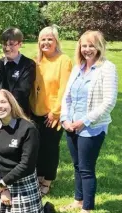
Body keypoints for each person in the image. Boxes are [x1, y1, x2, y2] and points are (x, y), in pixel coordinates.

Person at [59, 30, 118, 213]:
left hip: (91, 128)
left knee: (86, 168)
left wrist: (83, 121)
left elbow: (109, 101)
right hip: (71, 125)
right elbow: (67, 96)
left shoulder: (107, 68)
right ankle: (78, 200)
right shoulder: (78, 67)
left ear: (99, 47)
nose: (87, 49)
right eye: (84, 46)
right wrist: (65, 119)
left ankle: (86, 211)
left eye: (91, 45)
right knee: (77, 166)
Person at [0, 89, 43, 213]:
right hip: (0, 180)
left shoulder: (28, 128)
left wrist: (4, 183)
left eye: (3, 102)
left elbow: (27, 165)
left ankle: (44, 211)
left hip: (21, 180)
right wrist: (1, 188)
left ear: (11, 104)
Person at [29, 26, 72, 196]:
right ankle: (38, 177)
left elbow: (65, 88)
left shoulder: (63, 60)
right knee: (37, 147)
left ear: (56, 42)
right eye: (43, 39)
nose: (46, 42)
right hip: (35, 111)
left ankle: (47, 180)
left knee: (50, 148)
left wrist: (56, 112)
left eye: (50, 39)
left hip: (52, 113)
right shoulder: (37, 61)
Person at [0, 27, 35, 116]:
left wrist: (5, 105)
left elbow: (23, 91)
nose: (7, 48)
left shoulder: (28, 65)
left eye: (11, 44)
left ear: (20, 44)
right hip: (0, 112)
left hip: (20, 113)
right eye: (4, 44)